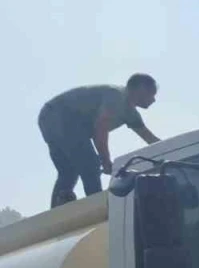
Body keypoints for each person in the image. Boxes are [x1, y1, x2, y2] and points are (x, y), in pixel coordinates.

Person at [38, 74, 161, 208]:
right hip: (61, 116)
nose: (153, 100)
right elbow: (100, 128)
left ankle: (57, 209)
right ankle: (98, 208)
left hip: (47, 116)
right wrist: (105, 160)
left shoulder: (131, 113)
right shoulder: (117, 96)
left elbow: (150, 139)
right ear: (141, 89)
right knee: (90, 164)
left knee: (68, 172)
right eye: (152, 94)